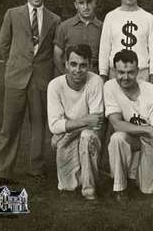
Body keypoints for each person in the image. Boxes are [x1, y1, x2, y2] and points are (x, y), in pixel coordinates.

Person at [0, 0, 60, 186]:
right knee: (10, 126)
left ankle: (36, 168)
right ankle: (1, 172)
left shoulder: (54, 19)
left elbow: (51, 50)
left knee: (39, 125)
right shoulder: (12, 14)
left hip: (40, 79)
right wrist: (14, 66)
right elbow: (3, 45)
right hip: (16, 79)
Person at [104, 50, 153, 204]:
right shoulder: (109, 86)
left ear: (138, 71)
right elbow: (117, 124)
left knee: (148, 189)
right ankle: (120, 188)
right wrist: (147, 129)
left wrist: (150, 132)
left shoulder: (152, 91)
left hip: (152, 140)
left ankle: (135, 172)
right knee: (117, 138)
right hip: (135, 135)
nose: (125, 77)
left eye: (130, 72)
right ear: (114, 71)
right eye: (120, 72)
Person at [47, 44, 104, 200]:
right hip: (68, 135)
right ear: (65, 64)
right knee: (67, 186)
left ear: (90, 66)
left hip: (82, 134)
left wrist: (67, 128)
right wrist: (85, 120)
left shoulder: (96, 81)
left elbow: (97, 122)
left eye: (83, 65)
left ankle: (89, 189)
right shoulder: (55, 85)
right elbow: (53, 125)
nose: (77, 70)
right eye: (73, 64)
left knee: (86, 136)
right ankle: (76, 175)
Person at [99, 0, 153, 85]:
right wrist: (103, 77)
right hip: (116, 74)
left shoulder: (148, 18)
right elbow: (104, 50)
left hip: (141, 75)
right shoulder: (111, 17)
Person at [54, 0, 103, 75]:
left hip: (94, 77)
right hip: (71, 76)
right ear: (76, 5)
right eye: (81, 3)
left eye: (89, 3)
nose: (86, 7)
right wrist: (65, 75)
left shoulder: (102, 27)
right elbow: (57, 55)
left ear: (95, 3)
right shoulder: (64, 26)